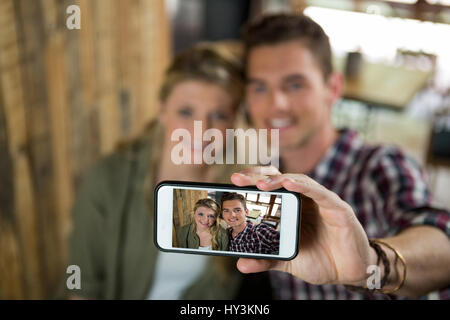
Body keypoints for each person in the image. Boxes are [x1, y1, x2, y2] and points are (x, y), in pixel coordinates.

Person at [231, 13, 450, 299]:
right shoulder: (259, 181)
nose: (277, 104)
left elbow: (443, 249)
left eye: (295, 85)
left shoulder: (381, 165)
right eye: (260, 87)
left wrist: (372, 264)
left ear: (333, 88)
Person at [66, 43, 246, 299]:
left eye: (218, 115)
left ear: (234, 120)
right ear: (162, 110)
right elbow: (82, 288)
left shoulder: (241, 187)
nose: (201, 129)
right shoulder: (110, 178)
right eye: (186, 111)